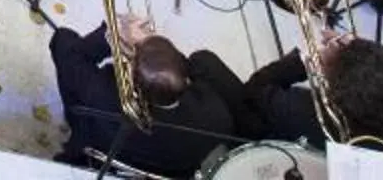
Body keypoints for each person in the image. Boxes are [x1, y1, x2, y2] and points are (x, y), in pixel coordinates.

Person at [214, 35, 383, 160]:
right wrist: (357, 53)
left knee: (208, 64)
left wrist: (309, 60)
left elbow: (257, 88)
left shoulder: (304, 112)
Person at [49, 14, 244, 178]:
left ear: (133, 77)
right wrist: (157, 51)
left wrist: (111, 36)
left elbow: (65, 51)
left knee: (65, 38)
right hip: (166, 166)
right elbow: (187, 70)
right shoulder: (216, 116)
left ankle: (71, 118)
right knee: (204, 60)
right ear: (186, 81)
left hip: (99, 143)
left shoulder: (103, 94)